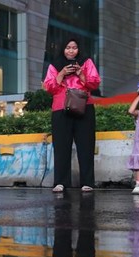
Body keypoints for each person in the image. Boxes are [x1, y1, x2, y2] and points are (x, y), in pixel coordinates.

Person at [43, 38, 101, 193]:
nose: (71, 51)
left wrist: (81, 74)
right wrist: (62, 73)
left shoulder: (86, 62)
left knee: (86, 145)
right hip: (60, 108)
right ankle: (60, 182)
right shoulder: (55, 65)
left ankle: (87, 182)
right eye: (68, 47)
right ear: (63, 49)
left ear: (78, 49)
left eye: (74, 48)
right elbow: (49, 87)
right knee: (61, 146)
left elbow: (95, 83)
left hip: (84, 106)